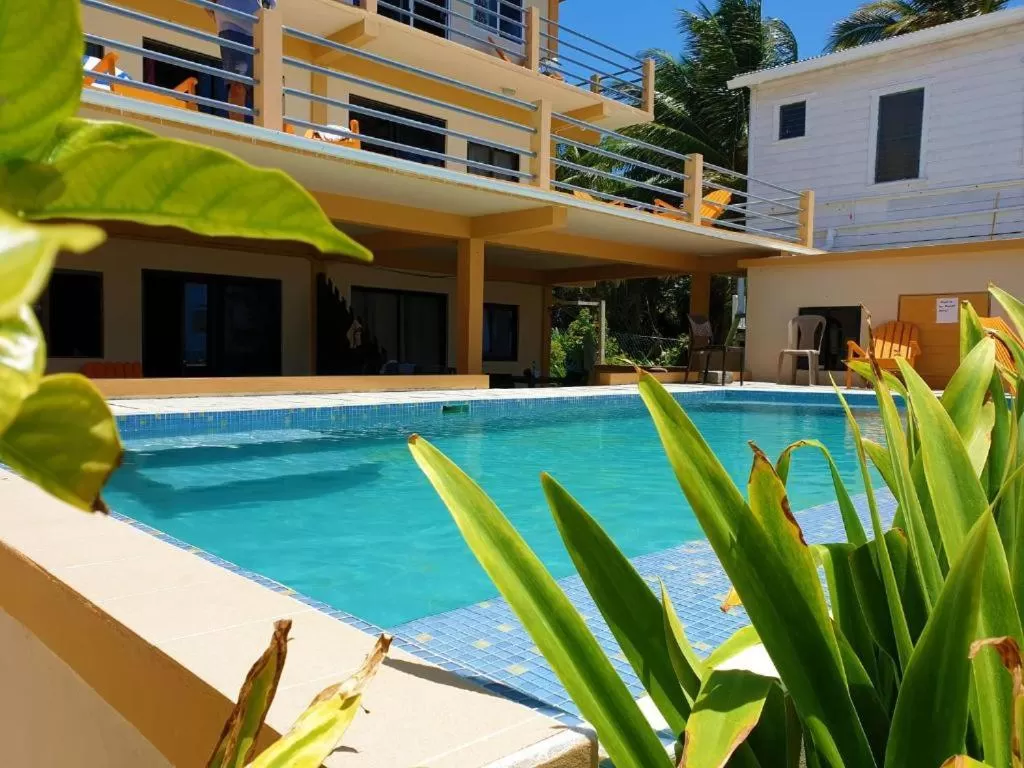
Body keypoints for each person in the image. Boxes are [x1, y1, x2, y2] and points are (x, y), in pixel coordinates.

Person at [207, 0, 276, 122]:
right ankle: (239, 132)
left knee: (260, 92)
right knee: (238, 85)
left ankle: (263, 134)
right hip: (232, 25)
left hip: (258, 28)